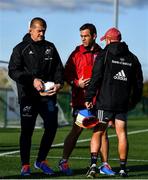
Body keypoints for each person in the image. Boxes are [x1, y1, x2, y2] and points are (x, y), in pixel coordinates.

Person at [8, 17, 64, 176]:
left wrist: (59, 83)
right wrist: (32, 80)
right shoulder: (20, 48)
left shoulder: (50, 47)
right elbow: (13, 71)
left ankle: (41, 160)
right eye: (39, 30)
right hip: (28, 96)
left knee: (52, 127)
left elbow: (59, 69)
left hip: (47, 96)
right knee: (27, 130)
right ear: (30, 30)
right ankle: (25, 165)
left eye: (44, 31)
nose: (41, 34)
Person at [85, 27, 143, 178]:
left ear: (109, 40)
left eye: (106, 40)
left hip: (105, 102)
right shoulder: (133, 58)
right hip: (122, 104)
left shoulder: (104, 54)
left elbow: (96, 77)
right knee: (122, 134)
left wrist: (88, 97)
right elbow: (138, 84)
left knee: (98, 131)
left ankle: (92, 165)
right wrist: (133, 102)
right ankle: (123, 168)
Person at [58, 23, 115, 176]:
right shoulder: (76, 54)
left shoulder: (102, 53)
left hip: (100, 101)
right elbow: (66, 74)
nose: (83, 39)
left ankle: (104, 164)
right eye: (81, 36)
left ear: (94, 36)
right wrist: (77, 83)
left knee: (102, 132)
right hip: (81, 101)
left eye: (86, 36)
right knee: (77, 131)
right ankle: (63, 161)